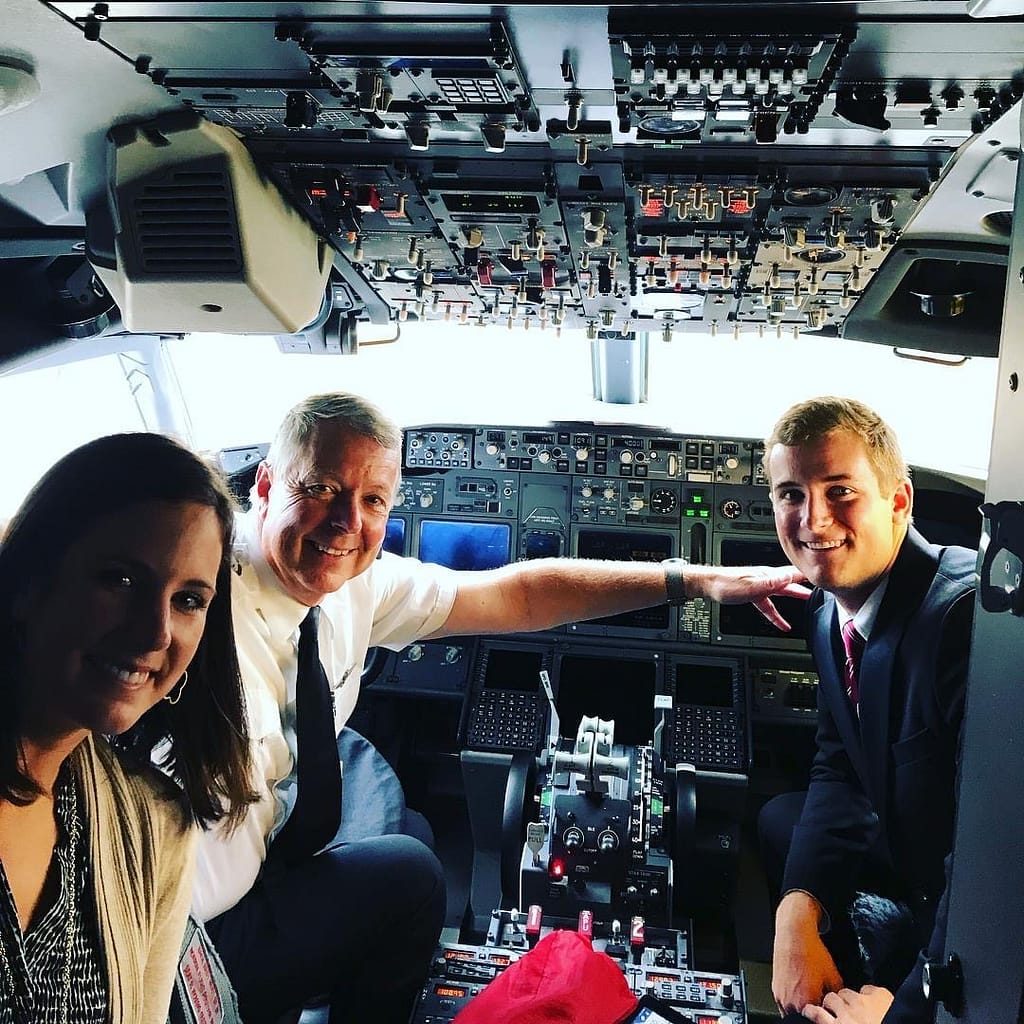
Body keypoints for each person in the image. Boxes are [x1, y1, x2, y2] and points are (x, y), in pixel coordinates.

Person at [195, 390, 812, 1024]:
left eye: (373, 501)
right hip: (202, 932)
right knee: (412, 873)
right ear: (265, 484)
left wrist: (691, 579)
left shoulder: (357, 581)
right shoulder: (191, 604)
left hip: (273, 834)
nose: (348, 523)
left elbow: (514, 594)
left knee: (413, 848)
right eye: (322, 488)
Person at [0, 433, 256, 1024]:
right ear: (29, 587)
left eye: (189, 600)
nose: (156, 634)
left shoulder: (155, 825)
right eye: (120, 581)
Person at [756, 397, 977, 1024]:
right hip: (919, 849)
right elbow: (840, 765)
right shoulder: (832, 614)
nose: (812, 518)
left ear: (899, 501)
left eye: (840, 490)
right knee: (779, 819)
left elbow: (994, 855)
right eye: (791, 493)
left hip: (970, 893)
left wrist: (905, 1008)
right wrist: (796, 909)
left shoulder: (961, 624)